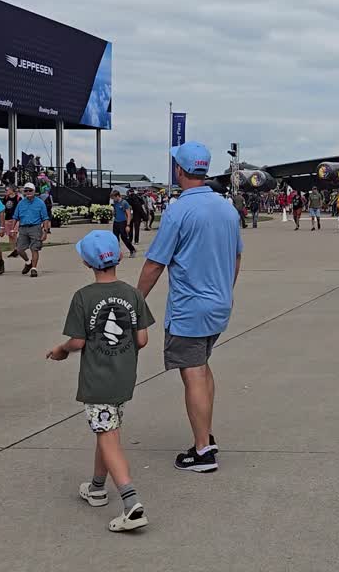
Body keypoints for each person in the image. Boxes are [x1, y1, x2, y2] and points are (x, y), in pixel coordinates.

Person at [137, 141, 242, 474]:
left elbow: (155, 262)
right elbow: (237, 256)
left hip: (189, 308)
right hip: (219, 304)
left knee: (192, 373)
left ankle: (202, 451)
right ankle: (205, 434)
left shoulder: (179, 210)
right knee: (203, 366)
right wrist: (225, 289)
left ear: (179, 170)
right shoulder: (227, 208)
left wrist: (135, 300)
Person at [47, 230, 154, 532]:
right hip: (123, 379)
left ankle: (131, 503)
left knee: (107, 436)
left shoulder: (83, 297)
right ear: (120, 256)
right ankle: (96, 487)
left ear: (85, 262)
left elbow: (77, 341)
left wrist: (60, 350)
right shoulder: (133, 294)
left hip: (98, 381)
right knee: (106, 430)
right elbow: (142, 339)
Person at [14, 182, 52, 276]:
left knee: (34, 249)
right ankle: (28, 263)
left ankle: (34, 269)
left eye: (30, 190)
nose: (28, 192)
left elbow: (45, 218)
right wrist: (13, 229)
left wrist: (45, 232)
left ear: (34, 191)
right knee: (19, 249)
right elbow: (16, 217)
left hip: (35, 227)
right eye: (26, 190)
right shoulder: (21, 203)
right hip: (23, 228)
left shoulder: (40, 203)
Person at [109, 189, 136, 259]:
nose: (113, 199)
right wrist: (113, 213)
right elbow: (116, 211)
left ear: (117, 196)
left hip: (123, 222)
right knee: (115, 238)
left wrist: (128, 225)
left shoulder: (124, 203)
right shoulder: (115, 203)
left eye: (114, 198)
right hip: (116, 222)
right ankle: (117, 253)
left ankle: (132, 250)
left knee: (124, 237)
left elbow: (129, 214)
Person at [1, 184, 21, 254]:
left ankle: (16, 249)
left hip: (15, 219)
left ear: (12, 190)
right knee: (10, 235)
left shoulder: (18, 198)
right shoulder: (6, 198)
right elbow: (3, 208)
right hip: (7, 219)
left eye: (7, 190)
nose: (6, 191)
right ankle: (13, 250)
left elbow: (20, 209)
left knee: (14, 234)